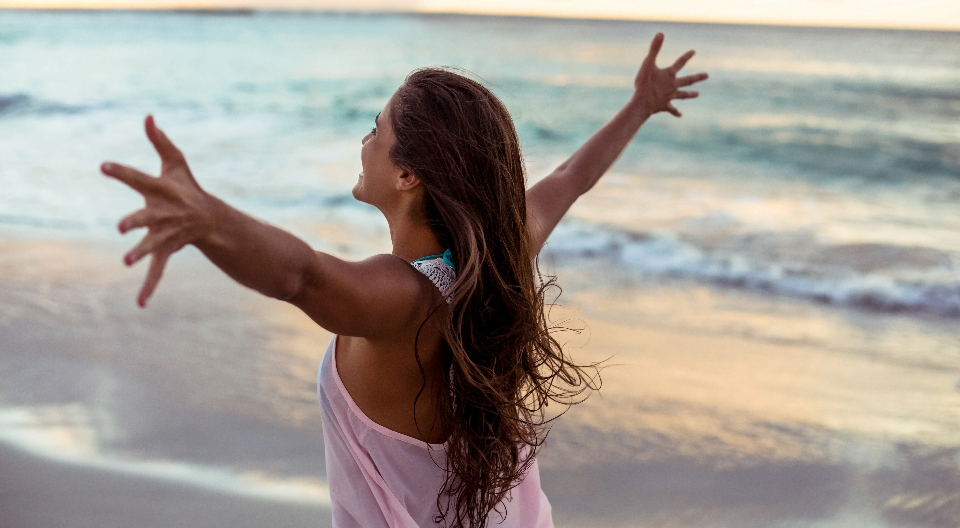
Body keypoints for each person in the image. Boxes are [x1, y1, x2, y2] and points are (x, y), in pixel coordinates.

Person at [101, 32, 706, 528]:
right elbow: (573, 175)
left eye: (376, 129)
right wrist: (639, 107)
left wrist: (209, 220)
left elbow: (301, 275)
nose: (364, 141)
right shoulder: (496, 256)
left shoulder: (405, 301)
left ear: (408, 174)